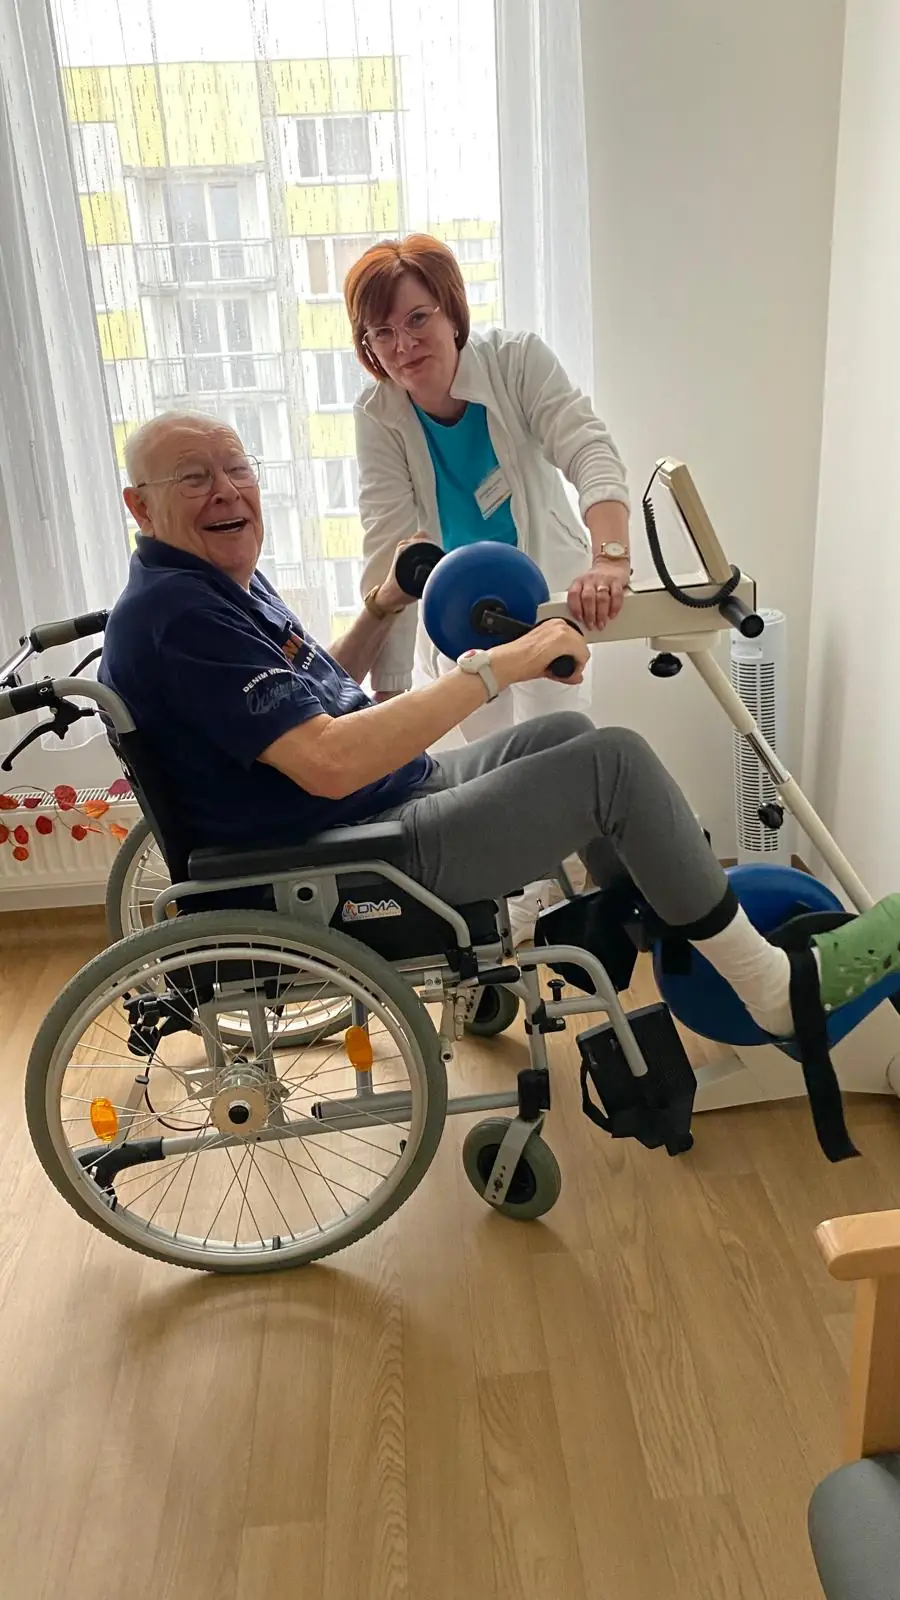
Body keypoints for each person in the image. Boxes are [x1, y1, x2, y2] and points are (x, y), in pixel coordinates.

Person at [99, 409, 900, 1054]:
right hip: (349, 853)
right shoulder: (180, 615)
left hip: (371, 806)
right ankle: (771, 990)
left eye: (238, 470)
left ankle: (629, 922)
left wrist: (382, 607)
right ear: (139, 506)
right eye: (194, 477)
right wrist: (499, 666)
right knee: (613, 765)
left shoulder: (211, 584)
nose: (227, 492)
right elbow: (330, 761)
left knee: (568, 736)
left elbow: (310, 701)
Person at [344, 232, 632, 930]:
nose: (404, 344)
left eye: (418, 318)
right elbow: (389, 544)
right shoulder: (378, 415)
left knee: (557, 751)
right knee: (484, 782)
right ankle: (505, 923)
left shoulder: (515, 361)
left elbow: (586, 447)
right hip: (456, 624)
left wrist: (611, 560)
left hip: (543, 607)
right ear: (368, 345)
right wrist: (389, 688)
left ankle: (544, 918)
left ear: (451, 311)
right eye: (383, 332)